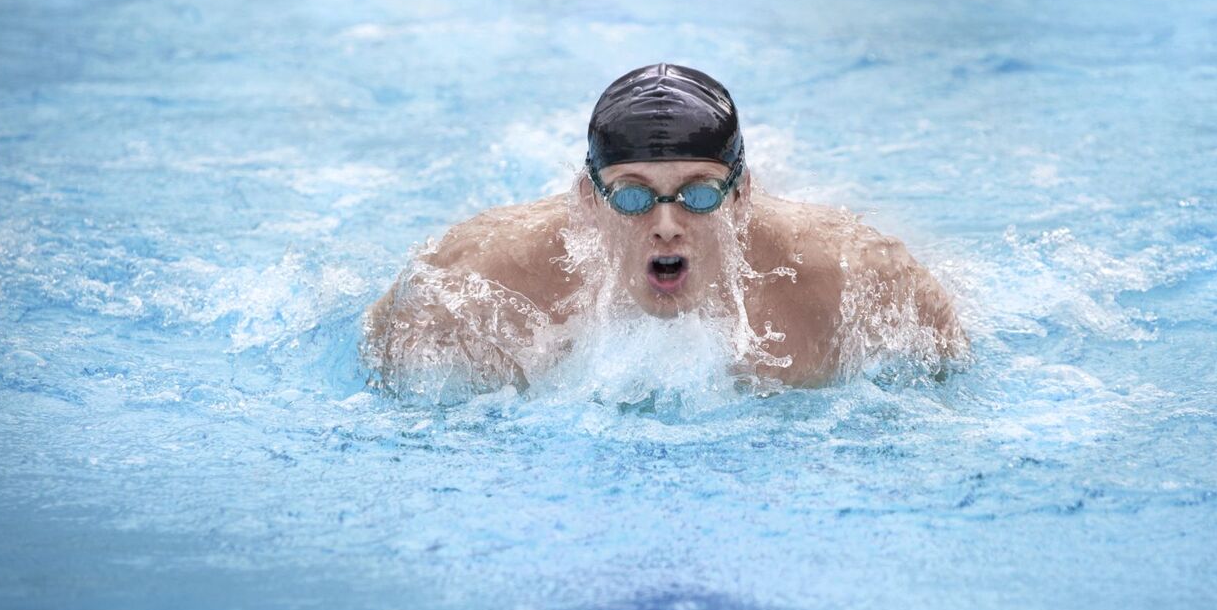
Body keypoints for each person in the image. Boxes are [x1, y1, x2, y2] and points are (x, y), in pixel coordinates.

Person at [362, 63, 966, 391]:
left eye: (700, 195)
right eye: (633, 197)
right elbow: (378, 357)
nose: (667, 225)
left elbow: (949, 363)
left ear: (742, 195)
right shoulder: (481, 278)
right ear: (588, 200)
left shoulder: (850, 276)